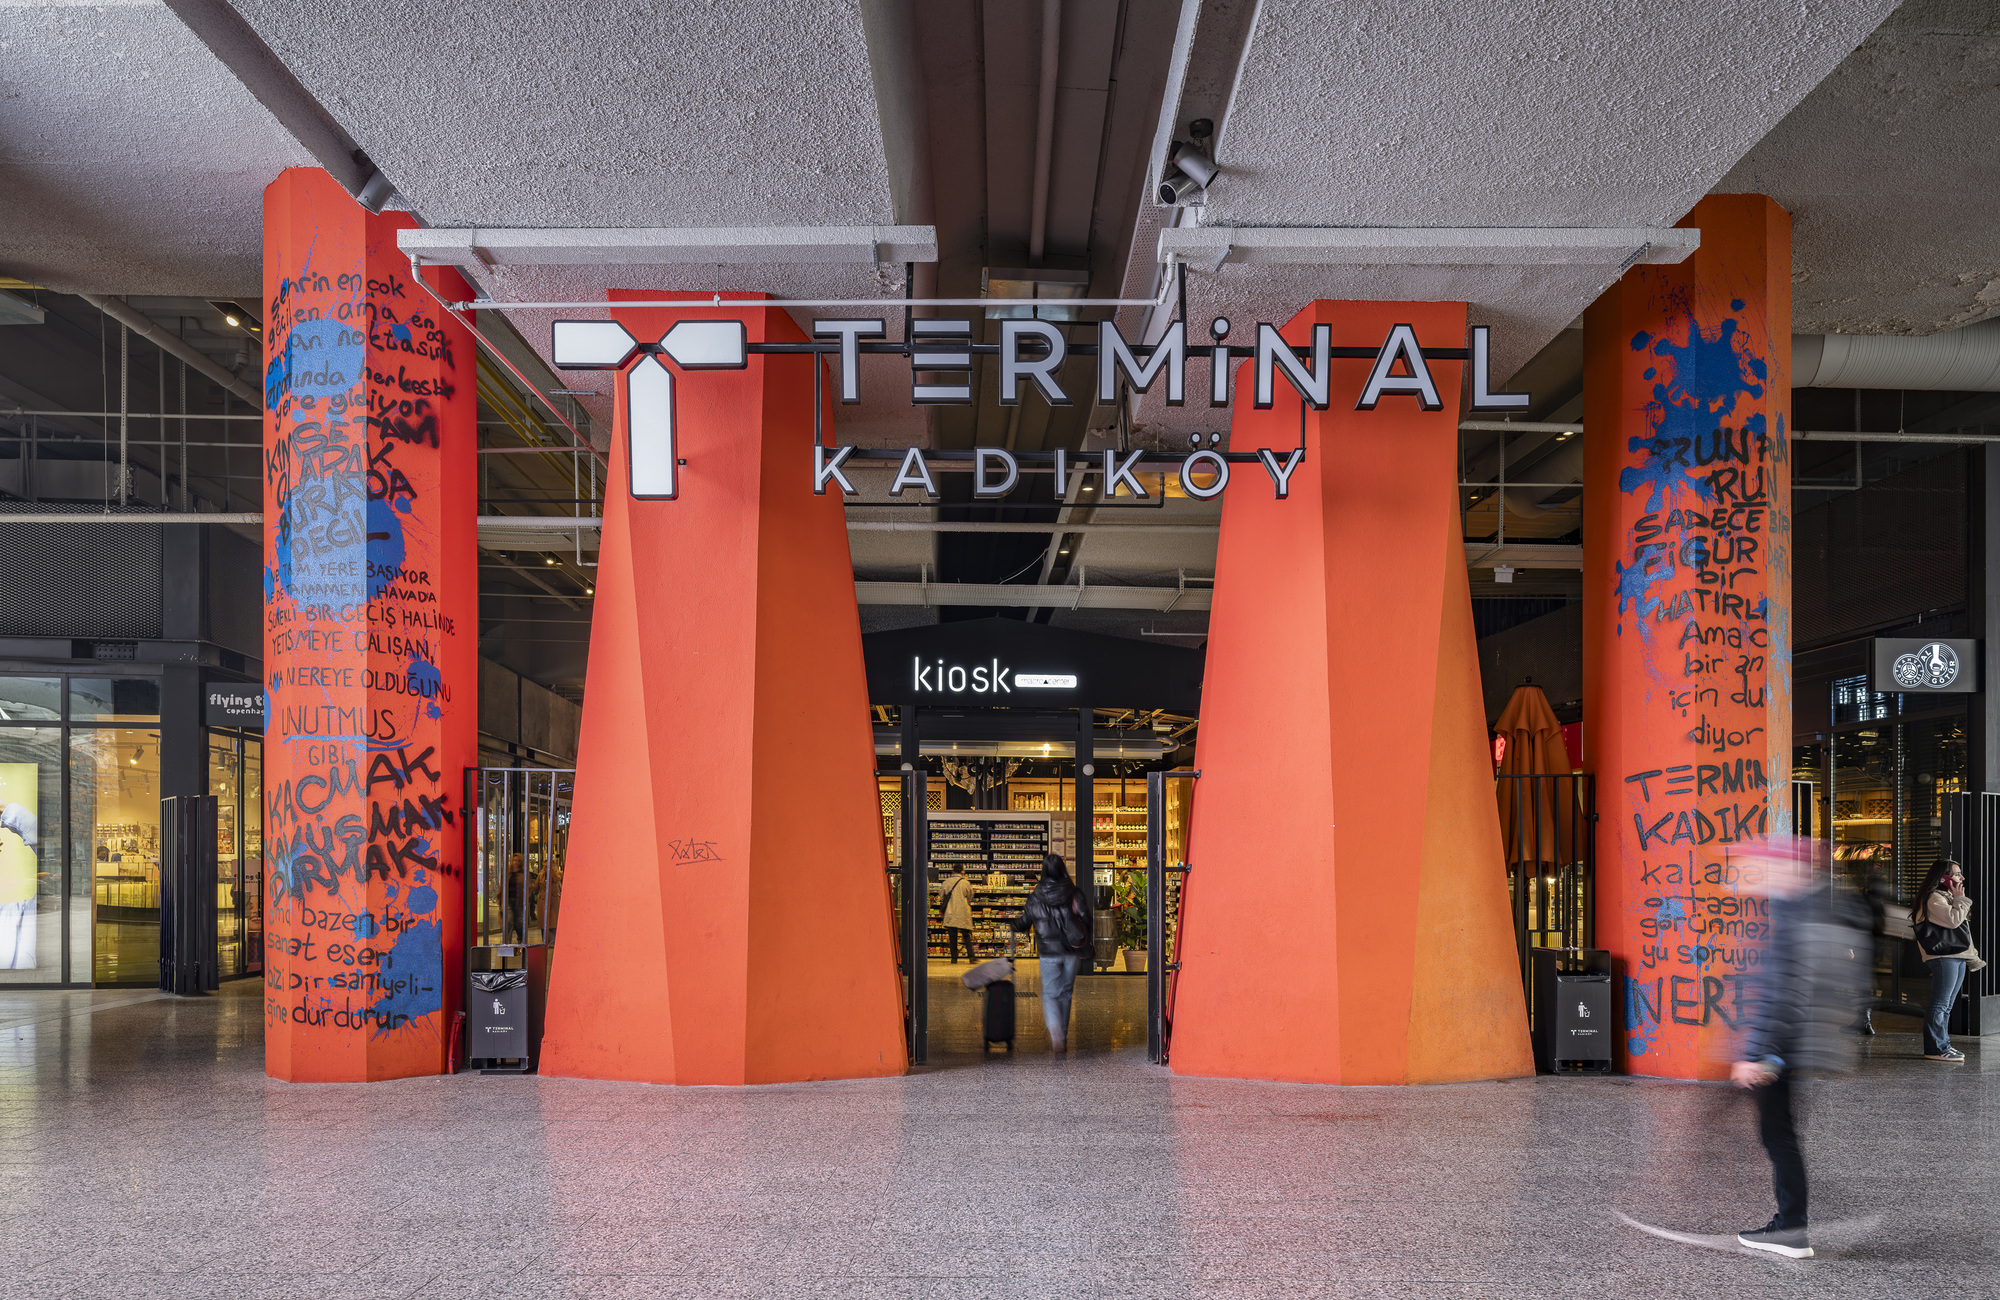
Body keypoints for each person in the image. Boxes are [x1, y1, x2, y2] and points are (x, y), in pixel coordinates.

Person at [1731, 837, 1867, 1260]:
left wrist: (1760, 1054)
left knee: (1778, 1135)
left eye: (1769, 867)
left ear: (1791, 870)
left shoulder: (1796, 915)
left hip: (1783, 1045)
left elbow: (1783, 991)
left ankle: (1790, 1229)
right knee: (1780, 1133)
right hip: (1797, 1042)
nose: (1763, 875)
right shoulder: (1817, 907)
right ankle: (1790, 1225)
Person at [1010, 853, 1094, 1053]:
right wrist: (1083, 939)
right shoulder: (1075, 893)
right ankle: (1062, 1036)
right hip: (1072, 951)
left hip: (1048, 952)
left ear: (1043, 871)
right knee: (1065, 993)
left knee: (1050, 994)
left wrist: (1013, 925)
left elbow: (1024, 923)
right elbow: (1087, 919)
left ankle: (1055, 1030)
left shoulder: (1036, 896)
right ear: (1062, 869)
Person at [1912, 858, 1983, 1063]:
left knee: (1947, 1005)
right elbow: (1952, 921)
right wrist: (1960, 898)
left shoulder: (1945, 896)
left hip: (1956, 955)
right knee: (1940, 1004)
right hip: (1944, 957)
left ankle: (1942, 1044)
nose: (1961, 877)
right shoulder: (1934, 898)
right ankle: (1935, 1047)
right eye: (1956, 873)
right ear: (1943, 877)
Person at [937, 869, 975, 963]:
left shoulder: (946, 882)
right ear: (962, 871)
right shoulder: (965, 882)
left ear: (952, 872)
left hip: (951, 912)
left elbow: (941, 895)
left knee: (952, 936)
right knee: (966, 935)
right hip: (963, 912)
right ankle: (971, 957)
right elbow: (970, 896)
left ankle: (954, 958)